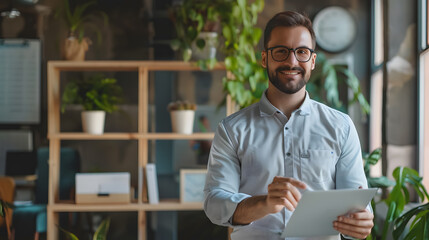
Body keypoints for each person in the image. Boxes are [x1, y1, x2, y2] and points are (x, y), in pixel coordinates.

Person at [203, 11, 374, 240]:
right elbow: (214, 203)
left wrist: (361, 223)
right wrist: (264, 203)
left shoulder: (340, 126)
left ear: (312, 61)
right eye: (281, 51)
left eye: (302, 52)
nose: (292, 61)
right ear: (265, 58)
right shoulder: (232, 129)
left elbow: (357, 205)